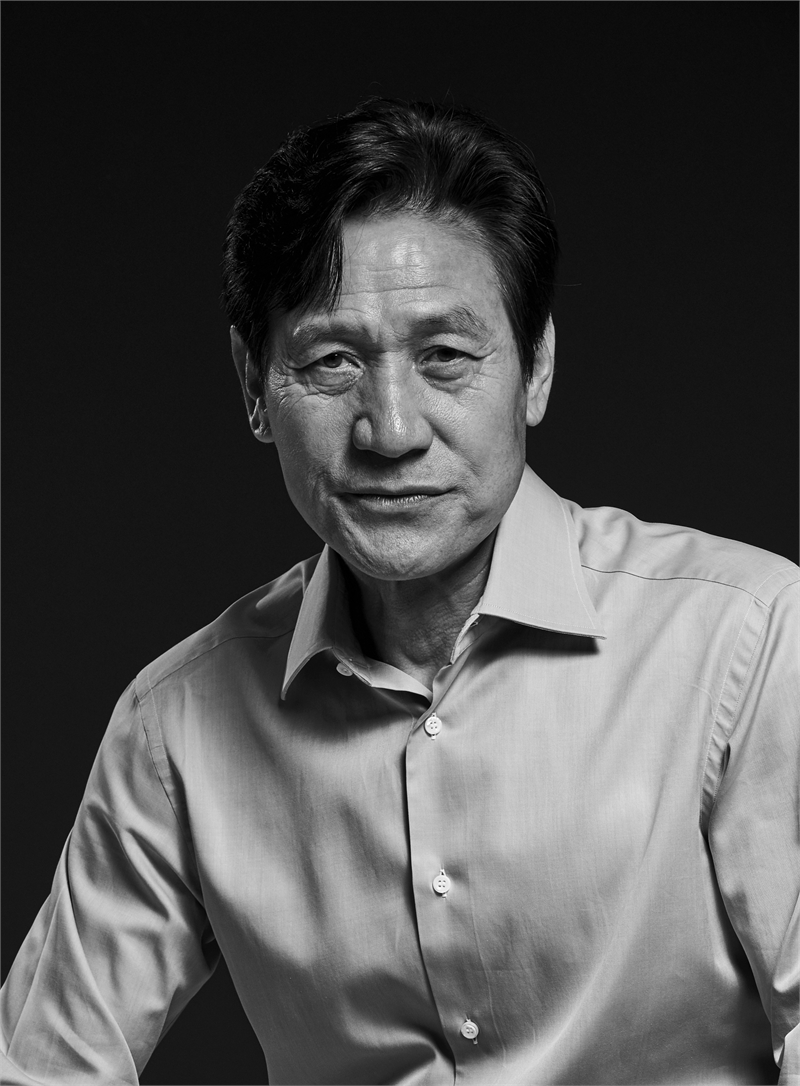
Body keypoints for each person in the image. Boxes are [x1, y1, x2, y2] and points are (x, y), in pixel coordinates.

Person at [2, 97, 798, 1086]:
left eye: (444, 358)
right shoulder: (176, 726)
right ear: (253, 382)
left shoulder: (748, 640)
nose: (390, 430)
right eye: (332, 361)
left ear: (535, 369)